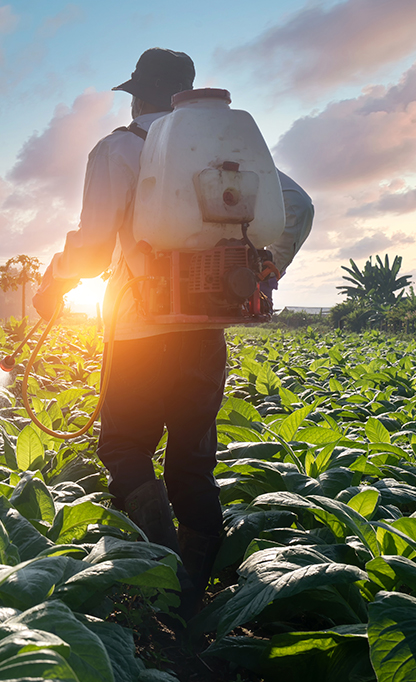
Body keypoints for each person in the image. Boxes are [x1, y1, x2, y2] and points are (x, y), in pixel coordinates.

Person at [33, 48, 313, 618]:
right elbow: (299, 205)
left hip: (139, 328)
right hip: (205, 327)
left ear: (137, 94)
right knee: (191, 459)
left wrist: (53, 284)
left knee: (124, 445)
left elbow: (90, 246)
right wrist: (267, 268)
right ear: (186, 94)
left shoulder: (117, 149)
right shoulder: (223, 151)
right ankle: (196, 590)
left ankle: (158, 569)